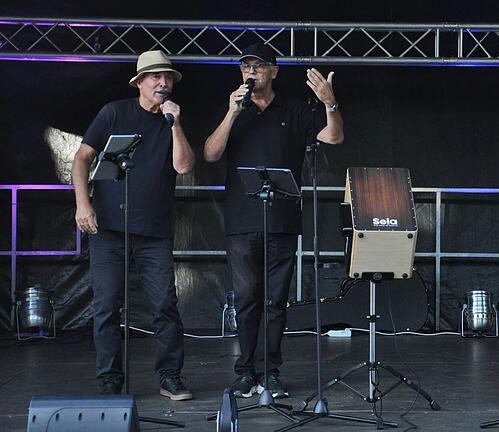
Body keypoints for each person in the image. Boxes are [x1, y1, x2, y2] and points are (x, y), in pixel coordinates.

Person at [203, 43, 344, 398]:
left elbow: (334, 136)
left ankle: (272, 371)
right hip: (241, 220)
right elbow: (210, 153)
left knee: (275, 301)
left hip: (282, 219)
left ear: (275, 71)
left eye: (259, 66)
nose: (251, 73)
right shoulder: (234, 109)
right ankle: (245, 371)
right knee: (247, 298)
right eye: (246, 66)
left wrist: (330, 103)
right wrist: (232, 114)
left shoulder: (294, 110)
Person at [71, 50, 195, 400]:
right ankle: (111, 379)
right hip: (109, 228)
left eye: (168, 77)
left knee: (165, 305)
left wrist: (177, 125)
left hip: (154, 230)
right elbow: (82, 158)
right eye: (155, 77)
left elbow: (184, 167)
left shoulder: (173, 120)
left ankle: (170, 376)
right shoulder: (114, 112)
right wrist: (83, 203)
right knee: (107, 305)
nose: (163, 83)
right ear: (140, 82)